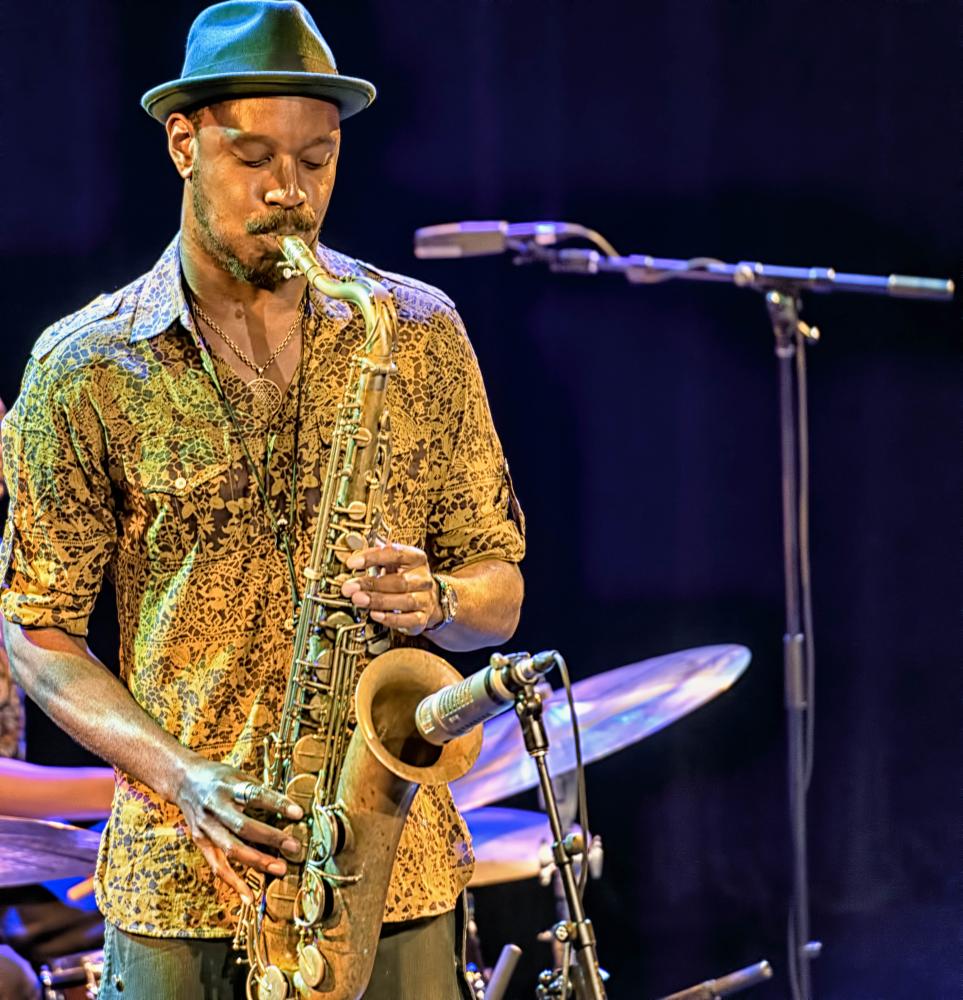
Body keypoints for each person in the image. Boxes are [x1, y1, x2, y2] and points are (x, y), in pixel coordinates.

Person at [0, 3, 525, 998]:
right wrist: (182, 778)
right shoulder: (81, 367)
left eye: (318, 160)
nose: (290, 190)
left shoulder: (415, 330)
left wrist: (441, 600)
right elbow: (37, 633)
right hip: (180, 880)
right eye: (255, 157)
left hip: (395, 878)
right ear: (184, 143)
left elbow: (502, 589)